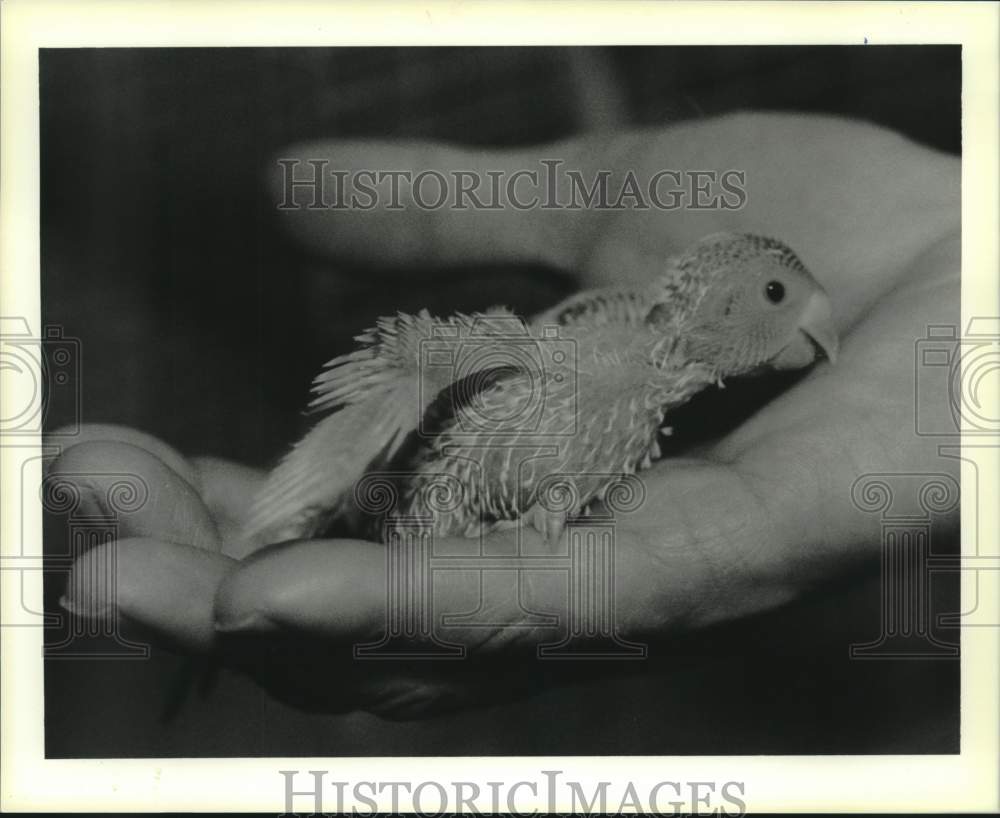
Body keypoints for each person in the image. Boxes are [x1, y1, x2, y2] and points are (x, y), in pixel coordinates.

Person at [49, 111, 960, 720]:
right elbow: (443, 389)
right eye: (775, 293)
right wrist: (331, 497)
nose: (810, 317)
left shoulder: (650, 402)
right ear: (718, 296)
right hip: (424, 495)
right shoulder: (598, 334)